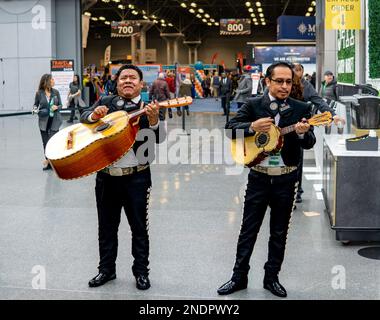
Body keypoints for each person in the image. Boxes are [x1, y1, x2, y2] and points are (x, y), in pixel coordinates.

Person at [218, 62, 316, 298]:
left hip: (286, 179)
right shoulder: (253, 105)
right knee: (248, 230)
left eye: (288, 82)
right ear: (267, 82)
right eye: (279, 81)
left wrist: (303, 133)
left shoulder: (301, 107)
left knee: (279, 232)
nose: (284, 86)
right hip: (258, 178)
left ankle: (271, 278)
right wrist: (251, 126)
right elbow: (230, 129)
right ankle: (238, 277)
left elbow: (309, 142)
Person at [80, 64, 165, 290]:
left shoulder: (150, 108)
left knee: (139, 228)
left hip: (137, 179)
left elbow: (158, 139)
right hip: (106, 177)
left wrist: (154, 121)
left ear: (141, 84)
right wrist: (93, 115)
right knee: (106, 227)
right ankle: (106, 270)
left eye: (133, 78)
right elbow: (83, 116)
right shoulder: (106, 103)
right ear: (117, 83)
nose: (128, 81)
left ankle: (141, 272)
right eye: (123, 78)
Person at [292, 64, 345, 203]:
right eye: (295, 71)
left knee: (297, 160)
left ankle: (296, 192)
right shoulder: (283, 84)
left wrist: (332, 114)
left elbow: (319, 101)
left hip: (300, 128)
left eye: (299, 71)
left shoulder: (306, 85)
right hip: (281, 129)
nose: (297, 74)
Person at [33, 74, 63, 170]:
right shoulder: (39, 93)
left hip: (55, 121)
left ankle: (54, 163)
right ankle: (49, 163)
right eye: (52, 79)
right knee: (45, 143)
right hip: (43, 121)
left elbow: (61, 105)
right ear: (47, 81)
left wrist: (57, 107)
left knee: (53, 143)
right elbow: (35, 105)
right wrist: (34, 110)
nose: (54, 81)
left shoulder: (56, 92)